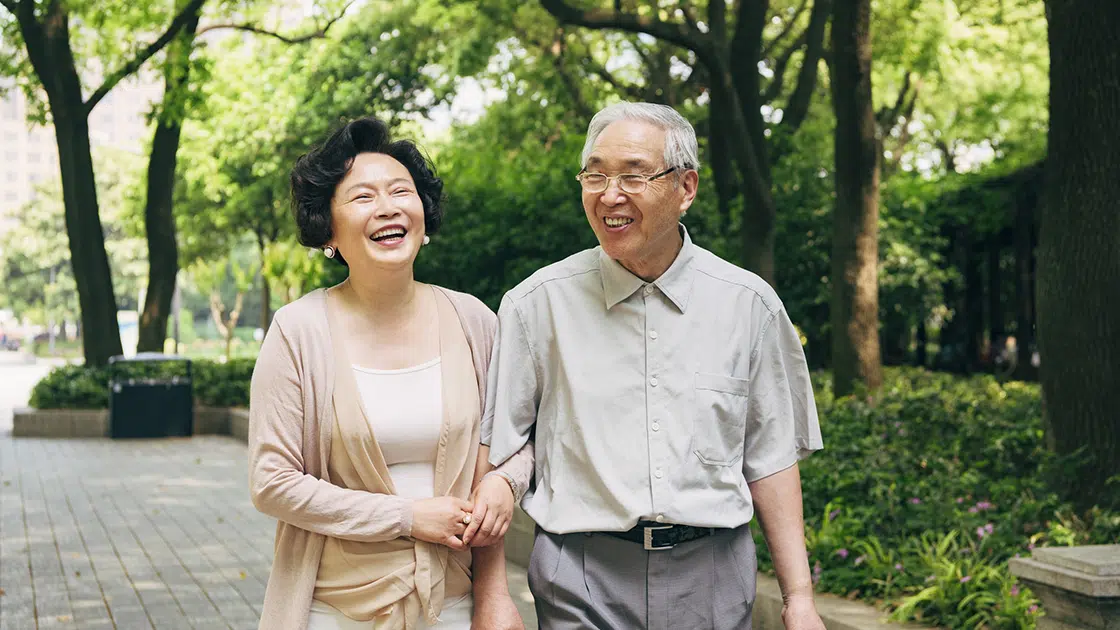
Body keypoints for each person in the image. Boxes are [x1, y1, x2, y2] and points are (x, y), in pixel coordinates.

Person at [483, 102, 826, 630]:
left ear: (685, 188)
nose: (609, 194)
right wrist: (490, 594)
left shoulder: (748, 305)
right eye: (594, 174)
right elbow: (501, 451)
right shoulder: (536, 305)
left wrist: (798, 597)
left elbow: (771, 456)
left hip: (712, 574)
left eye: (633, 175)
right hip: (581, 572)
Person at [249, 117, 530, 630]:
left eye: (402, 191)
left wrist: (507, 490)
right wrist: (408, 516)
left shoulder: (474, 321)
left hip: (454, 604)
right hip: (334, 610)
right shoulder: (298, 332)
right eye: (361, 198)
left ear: (422, 216)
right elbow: (272, 482)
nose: (387, 207)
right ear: (328, 230)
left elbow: (511, 445)